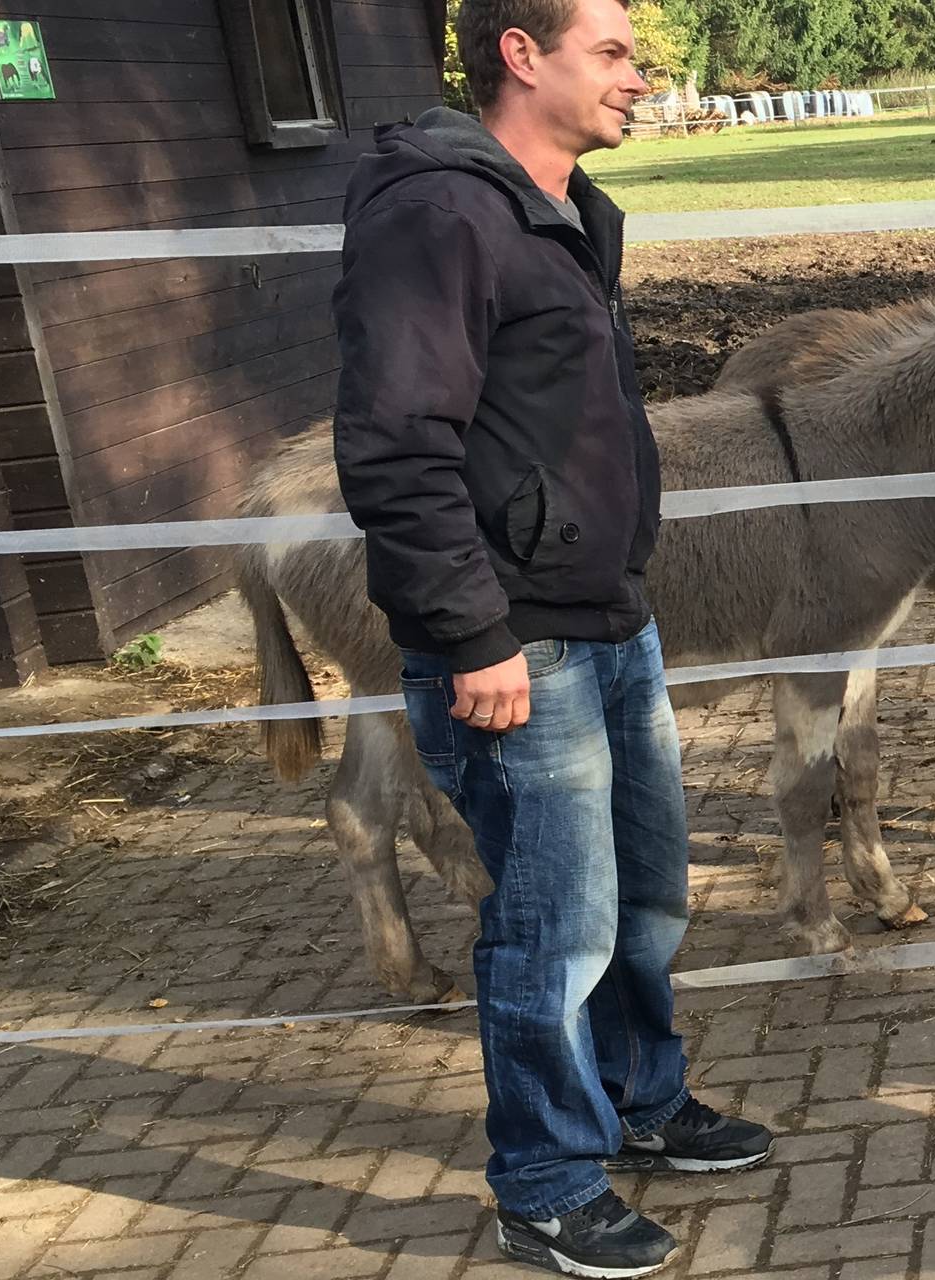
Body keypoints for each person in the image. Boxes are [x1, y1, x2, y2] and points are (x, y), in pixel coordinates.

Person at [332, 2, 769, 1274]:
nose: (643, 75)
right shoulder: (437, 213)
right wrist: (473, 635)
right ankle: (542, 1179)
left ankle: (638, 1096)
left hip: (605, 619)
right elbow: (396, 445)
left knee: (641, 895)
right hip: (517, 643)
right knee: (548, 926)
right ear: (522, 54)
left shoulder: (557, 205)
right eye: (616, 52)